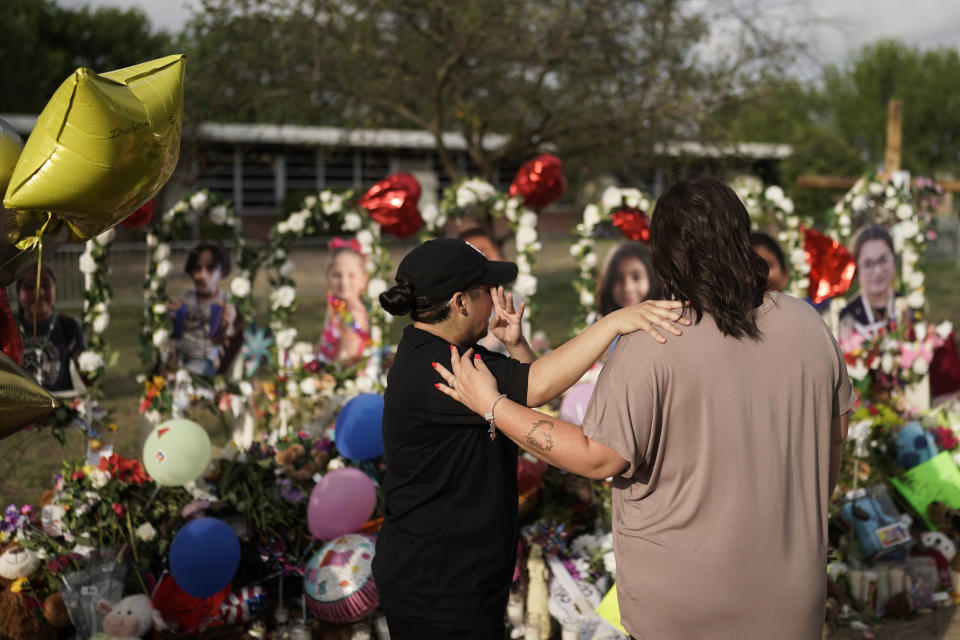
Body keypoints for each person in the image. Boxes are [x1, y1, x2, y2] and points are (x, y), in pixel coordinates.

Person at [436, 174, 855, 639]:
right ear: (741, 236)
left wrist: (492, 405)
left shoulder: (654, 339)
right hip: (790, 594)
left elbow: (599, 455)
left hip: (683, 607)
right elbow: (833, 439)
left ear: (665, 254)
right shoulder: (806, 324)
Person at [373, 238, 687, 639]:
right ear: (460, 302)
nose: (495, 298)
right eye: (485, 290)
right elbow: (536, 387)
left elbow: (522, 395)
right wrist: (615, 322)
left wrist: (515, 345)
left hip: (448, 575)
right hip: (438, 584)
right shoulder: (442, 365)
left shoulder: (439, 352)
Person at [167, 241, 238, 376]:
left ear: (222, 272)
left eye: (210, 269)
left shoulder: (224, 301)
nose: (202, 275)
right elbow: (178, 333)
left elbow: (223, 340)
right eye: (197, 268)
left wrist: (225, 323)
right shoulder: (186, 297)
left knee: (189, 375)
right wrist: (173, 316)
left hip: (205, 359)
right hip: (182, 354)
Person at [15, 265, 85, 391]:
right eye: (30, 287)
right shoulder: (7, 328)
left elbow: (84, 372)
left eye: (46, 285)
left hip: (60, 406)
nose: (39, 293)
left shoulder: (68, 326)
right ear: (18, 292)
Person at [838, 225, 898, 343]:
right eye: (868, 264)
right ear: (856, 268)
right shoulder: (847, 316)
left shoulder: (910, 306)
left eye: (884, 259)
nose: (878, 271)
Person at [315, 238, 371, 364]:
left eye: (351, 275)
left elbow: (345, 362)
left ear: (364, 279)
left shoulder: (353, 316)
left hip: (338, 377)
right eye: (336, 275)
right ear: (327, 277)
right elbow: (321, 345)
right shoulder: (336, 307)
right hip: (323, 371)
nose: (344, 282)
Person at [597, 241, 662, 316]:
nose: (628, 288)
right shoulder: (597, 322)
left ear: (652, 277)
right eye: (618, 278)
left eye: (636, 277)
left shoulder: (668, 320)